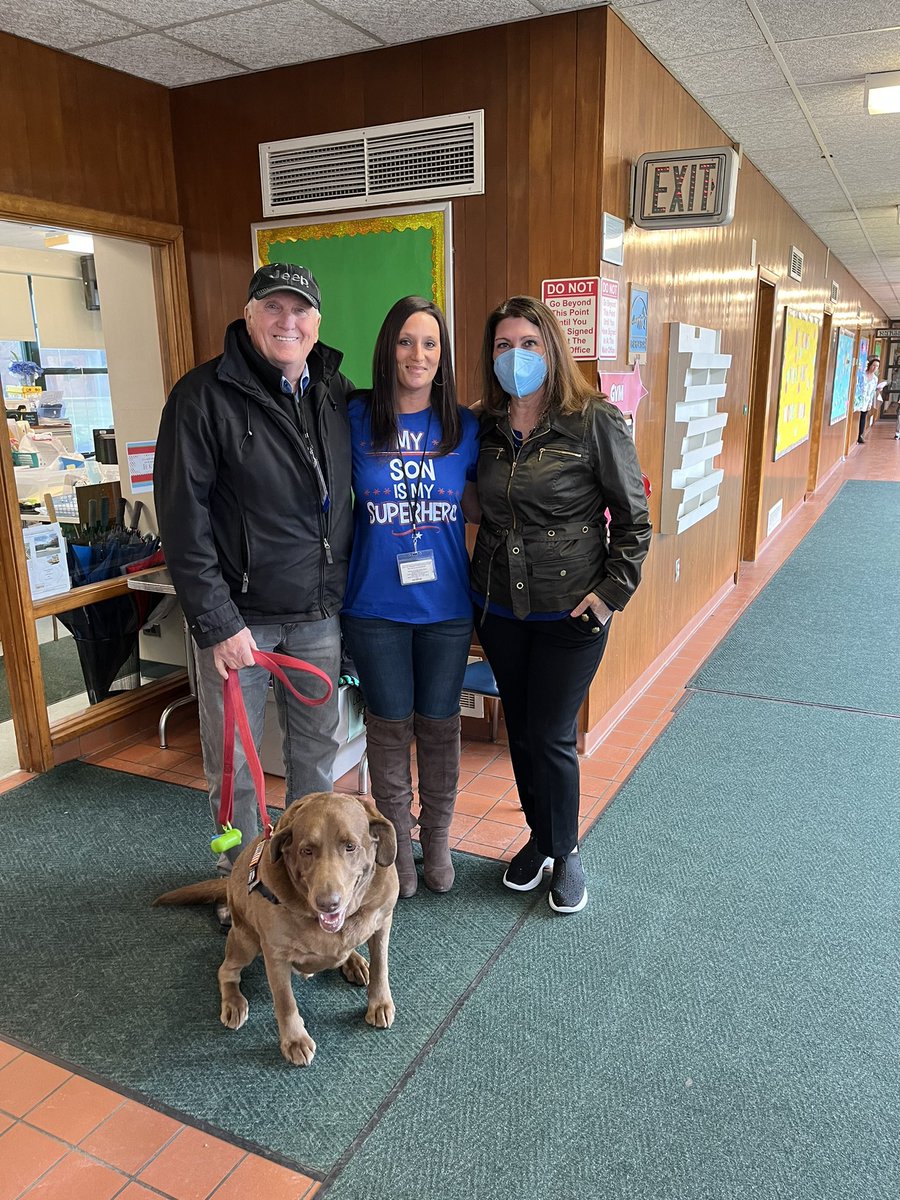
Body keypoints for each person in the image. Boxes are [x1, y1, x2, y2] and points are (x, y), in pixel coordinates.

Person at [155, 263, 355, 924]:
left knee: (316, 761)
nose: (287, 321)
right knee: (237, 766)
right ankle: (243, 881)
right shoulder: (200, 397)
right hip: (239, 623)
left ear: (317, 322)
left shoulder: (332, 391)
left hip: (316, 615)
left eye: (300, 310)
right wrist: (216, 621)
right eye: (274, 308)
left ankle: (311, 878)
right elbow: (183, 523)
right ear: (248, 315)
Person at [471, 296, 651, 915]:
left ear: (551, 348)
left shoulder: (593, 420)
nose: (514, 356)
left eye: (528, 343)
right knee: (519, 729)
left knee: (549, 732)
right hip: (500, 610)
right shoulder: (485, 428)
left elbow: (635, 519)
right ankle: (539, 839)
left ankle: (566, 851)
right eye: (502, 345)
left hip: (572, 611)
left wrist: (610, 595)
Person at [341, 296, 480, 897]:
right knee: (389, 729)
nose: (416, 354)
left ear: (442, 356)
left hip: (447, 607)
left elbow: (481, 504)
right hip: (374, 607)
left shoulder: (465, 427)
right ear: (387, 349)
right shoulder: (353, 418)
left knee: (440, 727)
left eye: (429, 343)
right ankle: (395, 849)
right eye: (405, 341)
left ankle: (439, 843)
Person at [856, 357, 880, 444]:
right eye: (873, 365)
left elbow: (872, 392)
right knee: (856, 415)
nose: (875, 368)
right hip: (858, 399)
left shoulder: (875, 379)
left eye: (877, 366)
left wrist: (870, 403)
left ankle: (860, 435)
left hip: (866, 400)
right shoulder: (862, 375)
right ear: (870, 365)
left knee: (863, 417)